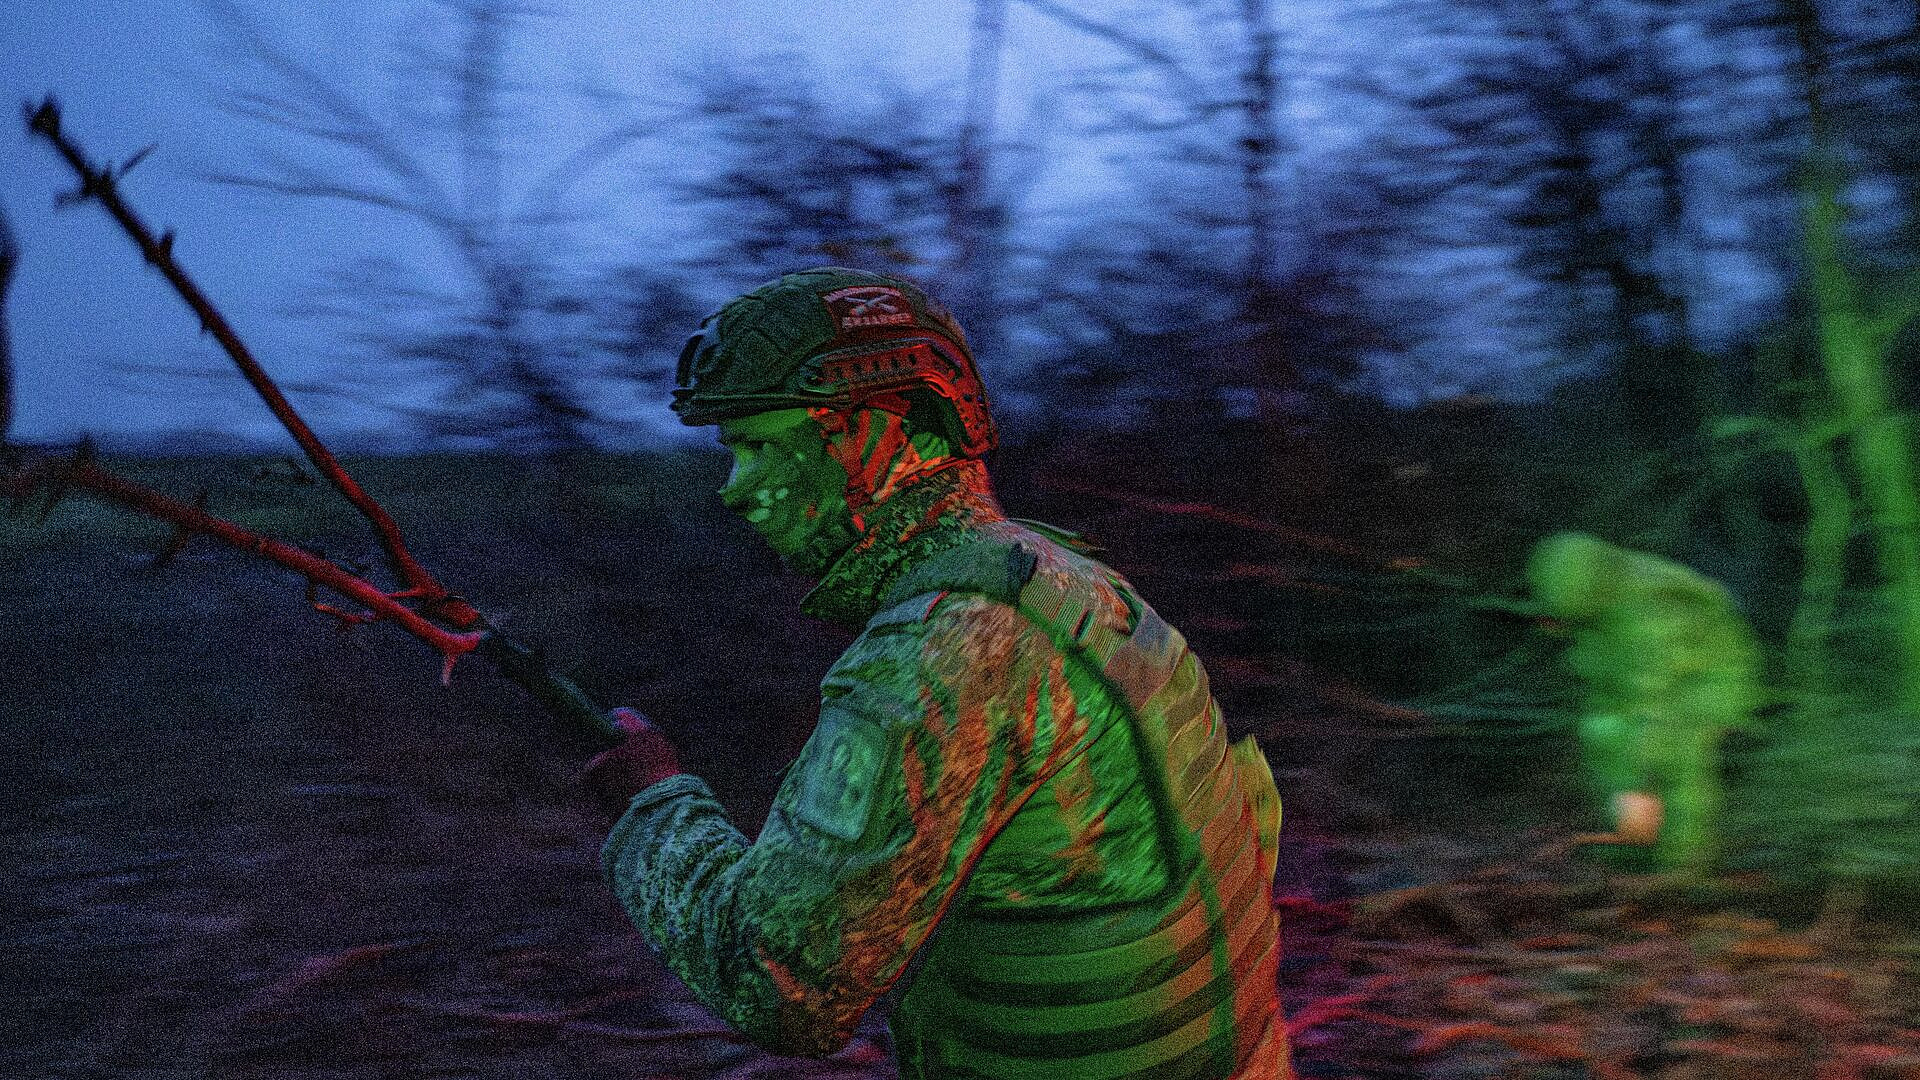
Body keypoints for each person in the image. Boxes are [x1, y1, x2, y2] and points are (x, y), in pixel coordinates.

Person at [585, 267, 1291, 1079]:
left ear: (891, 432)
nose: (735, 492)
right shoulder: (1066, 580)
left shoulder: (942, 650)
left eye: (758, 445)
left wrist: (652, 805)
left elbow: (780, 985)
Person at [1527, 531, 1764, 874]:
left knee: (1678, 751)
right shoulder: (1588, 600)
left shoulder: (1646, 609)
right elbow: (1603, 677)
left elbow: (1652, 694)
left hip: (1712, 674)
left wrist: (1642, 775)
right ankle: (1633, 842)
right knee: (1603, 732)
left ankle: (1684, 861)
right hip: (1648, 677)